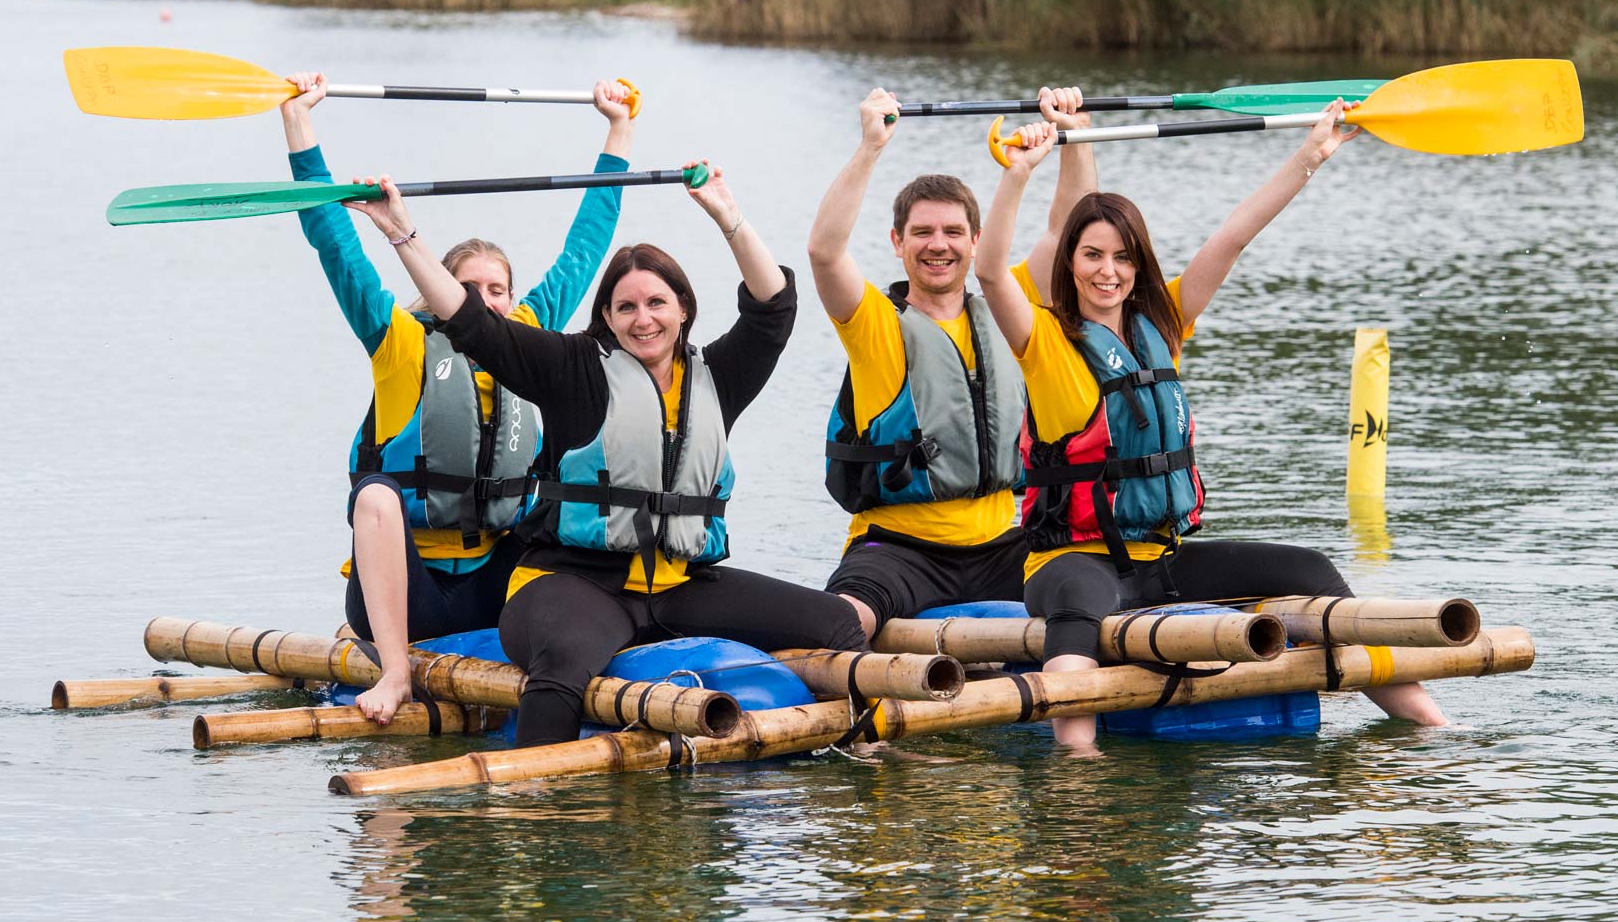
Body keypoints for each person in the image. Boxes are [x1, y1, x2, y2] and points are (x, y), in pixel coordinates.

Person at [976, 101, 1450, 751]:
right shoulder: (1044, 339)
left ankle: (1430, 722)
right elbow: (988, 271)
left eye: (1122, 257)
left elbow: (1232, 237)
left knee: (1310, 569)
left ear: (1139, 265)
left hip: (1161, 560)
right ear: (1071, 263)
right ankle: (1077, 763)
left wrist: (1309, 157)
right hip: (1071, 561)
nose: (1107, 271)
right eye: (1092, 255)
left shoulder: (1164, 323)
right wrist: (1020, 173)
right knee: (1079, 605)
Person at [344, 163, 869, 748]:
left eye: (656, 302)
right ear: (608, 319)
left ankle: (867, 752)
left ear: (683, 309)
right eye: (626, 307)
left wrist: (729, 218)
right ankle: (540, 794)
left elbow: (774, 307)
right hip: (571, 584)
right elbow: (473, 324)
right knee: (564, 662)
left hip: (680, 583)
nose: (643, 319)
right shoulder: (572, 370)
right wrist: (402, 234)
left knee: (837, 622)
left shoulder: (718, 378)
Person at [281, 72, 636, 725]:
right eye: (468, 287)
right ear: (440, 288)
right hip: (407, 596)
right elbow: (335, 244)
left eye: (498, 290)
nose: (485, 300)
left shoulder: (530, 336)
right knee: (376, 495)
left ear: (513, 299)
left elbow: (585, 247)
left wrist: (618, 131)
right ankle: (394, 674)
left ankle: (600, 643)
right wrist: (300, 124)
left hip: (495, 586)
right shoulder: (400, 342)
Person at [806, 85, 1094, 639]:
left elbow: (1068, 233)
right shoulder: (873, 323)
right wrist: (871, 148)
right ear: (897, 242)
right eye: (922, 233)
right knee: (843, 623)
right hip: (897, 551)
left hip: (1003, 545)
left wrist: (1074, 137)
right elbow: (824, 251)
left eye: (953, 232)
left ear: (976, 240)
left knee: (1090, 593)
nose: (938, 245)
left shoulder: (1012, 306)